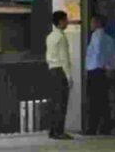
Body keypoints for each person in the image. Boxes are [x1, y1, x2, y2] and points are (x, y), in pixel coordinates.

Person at [85, 14, 115, 136]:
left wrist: (99, 65)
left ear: (98, 23)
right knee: (103, 101)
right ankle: (106, 127)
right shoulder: (109, 38)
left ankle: (92, 128)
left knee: (94, 101)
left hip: (95, 70)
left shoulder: (96, 36)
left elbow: (98, 53)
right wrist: (110, 68)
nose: (90, 25)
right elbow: (112, 56)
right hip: (104, 72)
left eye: (92, 22)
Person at [45, 10, 72, 140]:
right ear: (61, 21)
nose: (67, 22)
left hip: (52, 70)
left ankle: (52, 130)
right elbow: (64, 58)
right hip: (61, 70)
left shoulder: (50, 36)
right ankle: (59, 131)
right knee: (61, 102)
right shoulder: (61, 37)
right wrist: (69, 76)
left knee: (54, 101)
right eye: (66, 20)